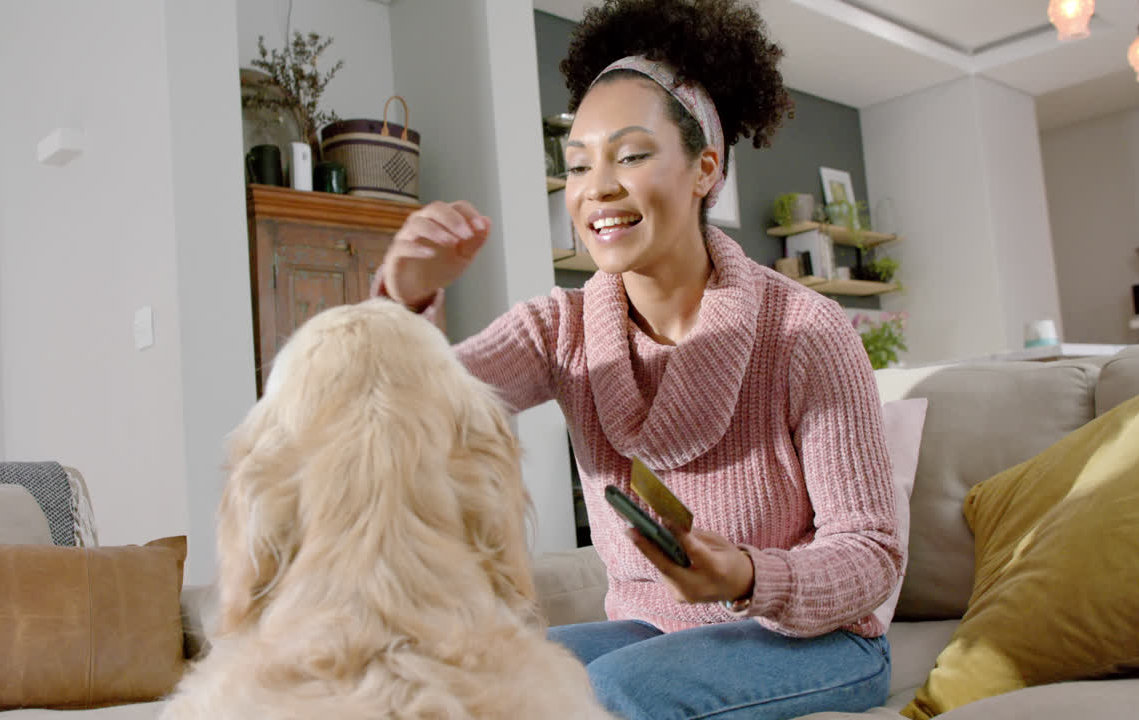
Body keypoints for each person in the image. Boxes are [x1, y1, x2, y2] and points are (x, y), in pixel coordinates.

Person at [375, 0, 901, 717]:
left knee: (618, 692)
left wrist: (748, 575)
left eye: (631, 155)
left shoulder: (806, 333)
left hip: (819, 636)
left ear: (703, 171)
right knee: (476, 678)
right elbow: (411, 408)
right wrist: (406, 300)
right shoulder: (558, 329)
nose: (598, 188)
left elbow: (871, 556)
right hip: (653, 628)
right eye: (580, 164)